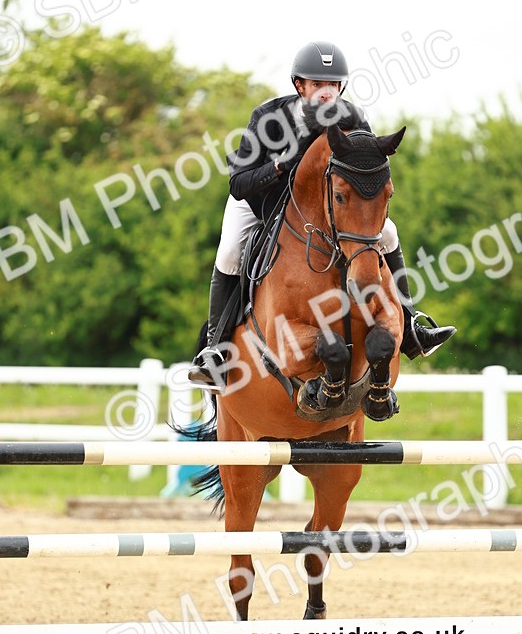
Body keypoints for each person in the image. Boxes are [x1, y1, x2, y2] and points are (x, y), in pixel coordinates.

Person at [188, 40, 456, 389]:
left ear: (341, 87)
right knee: (229, 252)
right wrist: (282, 164)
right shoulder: (268, 118)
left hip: (323, 209)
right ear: (300, 85)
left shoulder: (353, 117)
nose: (326, 92)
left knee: (388, 233)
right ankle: (215, 350)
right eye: (317, 84)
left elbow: (363, 167)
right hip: (260, 201)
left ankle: (410, 325)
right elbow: (239, 183)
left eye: (332, 85)